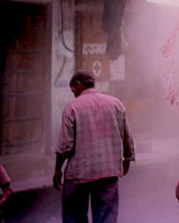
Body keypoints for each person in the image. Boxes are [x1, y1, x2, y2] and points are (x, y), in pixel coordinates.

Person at [54, 71, 135, 223]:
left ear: (79, 84)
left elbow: (65, 146)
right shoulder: (116, 103)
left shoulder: (72, 107)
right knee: (106, 217)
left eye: (73, 90)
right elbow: (127, 137)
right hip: (108, 171)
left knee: (74, 216)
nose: (74, 94)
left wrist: (58, 169)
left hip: (78, 174)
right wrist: (128, 159)